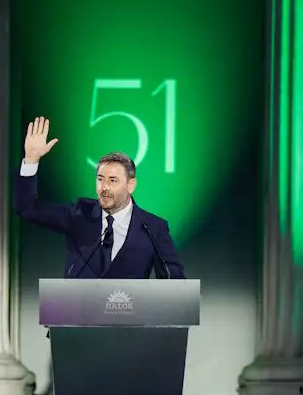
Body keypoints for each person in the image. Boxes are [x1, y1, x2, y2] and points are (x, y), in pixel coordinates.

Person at [14, 117, 184, 279]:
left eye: (113, 180)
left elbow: (174, 281)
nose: (104, 188)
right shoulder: (79, 213)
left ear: (131, 185)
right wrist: (31, 160)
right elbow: (27, 207)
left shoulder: (153, 228)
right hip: (76, 301)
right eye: (100, 179)